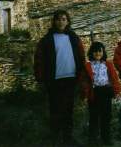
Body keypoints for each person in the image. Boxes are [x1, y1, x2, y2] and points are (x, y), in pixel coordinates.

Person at [34, 9, 85, 146]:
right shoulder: (47, 40)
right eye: (58, 19)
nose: (61, 22)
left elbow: (81, 57)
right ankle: (55, 137)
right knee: (55, 110)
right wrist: (40, 78)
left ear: (67, 21)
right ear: (54, 21)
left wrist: (81, 76)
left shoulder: (74, 38)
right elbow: (39, 59)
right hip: (54, 80)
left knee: (68, 110)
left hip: (71, 79)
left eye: (63, 19)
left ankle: (68, 137)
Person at [81, 42, 121, 145]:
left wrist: (117, 92)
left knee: (106, 116)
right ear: (91, 53)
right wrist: (85, 95)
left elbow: (114, 79)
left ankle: (106, 137)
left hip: (106, 92)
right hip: (94, 93)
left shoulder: (108, 64)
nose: (97, 53)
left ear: (103, 52)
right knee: (94, 117)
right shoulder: (88, 65)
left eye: (100, 51)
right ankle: (93, 139)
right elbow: (85, 82)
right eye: (95, 51)